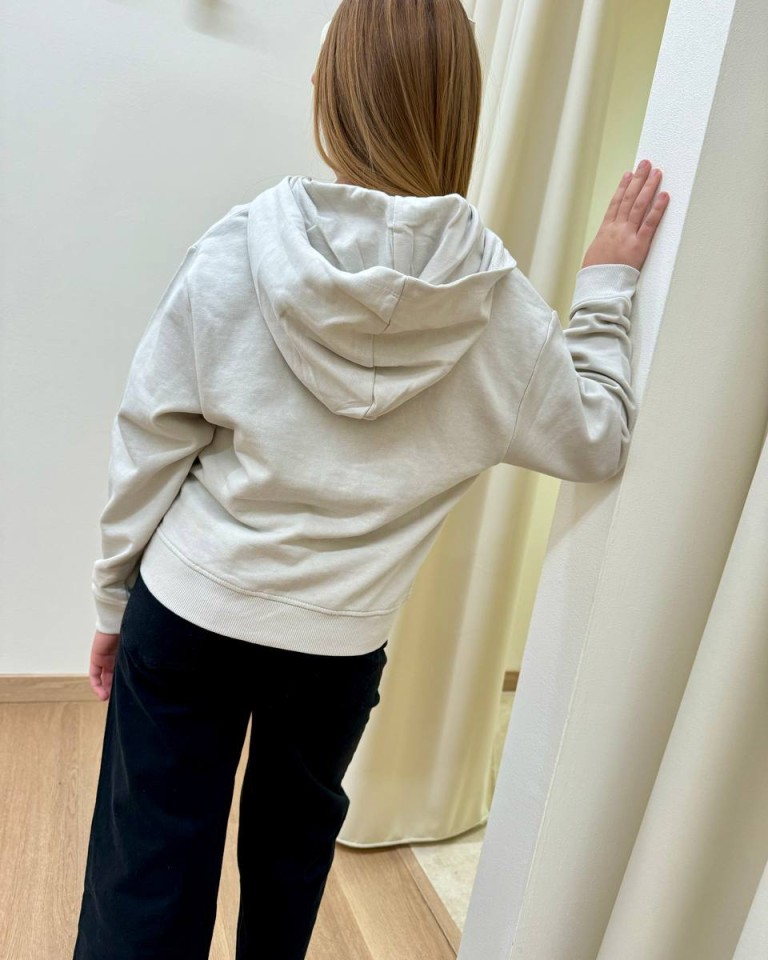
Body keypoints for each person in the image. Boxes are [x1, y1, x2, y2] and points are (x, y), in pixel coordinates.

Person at [71, 0, 669, 957]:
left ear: (332, 98)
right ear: (458, 111)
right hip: (336, 645)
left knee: (145, 875)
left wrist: (113, 598)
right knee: (289, 867)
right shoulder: (502, 313)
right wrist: (604, 290)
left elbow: (151, 443)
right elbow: (597, 439)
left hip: (190, 609)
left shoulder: (238, 247)